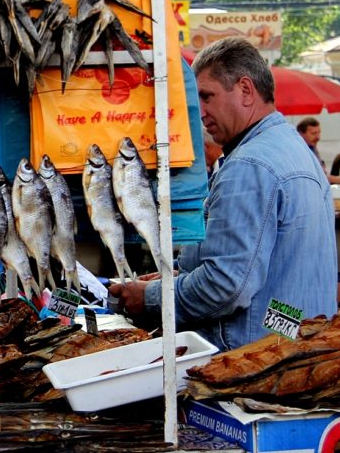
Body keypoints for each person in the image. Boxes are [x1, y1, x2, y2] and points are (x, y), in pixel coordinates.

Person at [110, 37, 337, 351]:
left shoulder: (250, 164)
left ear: (245, 90)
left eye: (206, 96)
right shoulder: (291, 147)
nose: (200, 112)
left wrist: (150, 298)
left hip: (251, 361)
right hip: (287, 344)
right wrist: (174, 280)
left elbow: (226, 287)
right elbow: (253, 260)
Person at [296, 117, 340, 184]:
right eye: (313, 133)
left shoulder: (312, 147)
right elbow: (318, 177)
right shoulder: (300, 152)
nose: (318, 137)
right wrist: (336, 179)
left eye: (319, 133)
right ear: (301, 134)